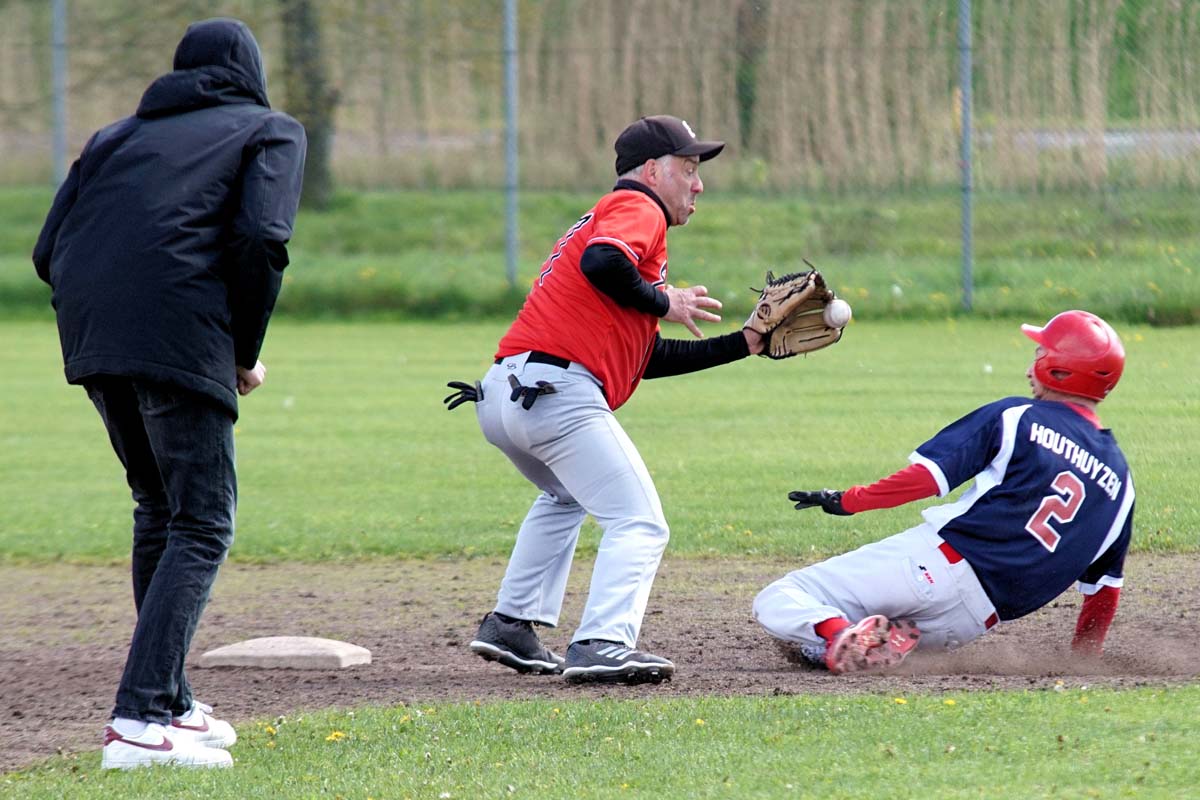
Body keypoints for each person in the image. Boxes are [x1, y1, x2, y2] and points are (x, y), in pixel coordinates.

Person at [31, 18, 306, 768]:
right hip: (180, 332)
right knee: (203, 521)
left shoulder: (114, 137)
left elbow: (47, 250)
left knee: (158, 507)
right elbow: (261, 237)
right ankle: (139, 719)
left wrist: (104, 311)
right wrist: (239, 351)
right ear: (250, 72)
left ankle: (172, 701)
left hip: (92, 335)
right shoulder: (269, 130)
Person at [449, 115, 768, 685]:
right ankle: (602, 643)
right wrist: (665, 302)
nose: (698, 184)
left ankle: (511, 624)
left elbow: (644, 357)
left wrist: (745, 344)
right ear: (651, 171)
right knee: (640, 522)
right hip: (555, 394)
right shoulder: (637, 206)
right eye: (688, 168)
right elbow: (603, 262)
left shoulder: (620, 226)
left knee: (564, 496)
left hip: (507, 392)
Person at [754, 310, 1133, 674]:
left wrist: (849, 500)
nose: (1030, 367)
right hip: (970, 622)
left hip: (932, 568)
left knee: (783, 596)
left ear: (1059, 369)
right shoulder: (1121, 484)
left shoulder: (1019, 417)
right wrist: (1083, 660)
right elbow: (1104, 590)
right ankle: (851, 644)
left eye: (1039, 354)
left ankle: (839, 635)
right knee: (818, 644)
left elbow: (927, 479)